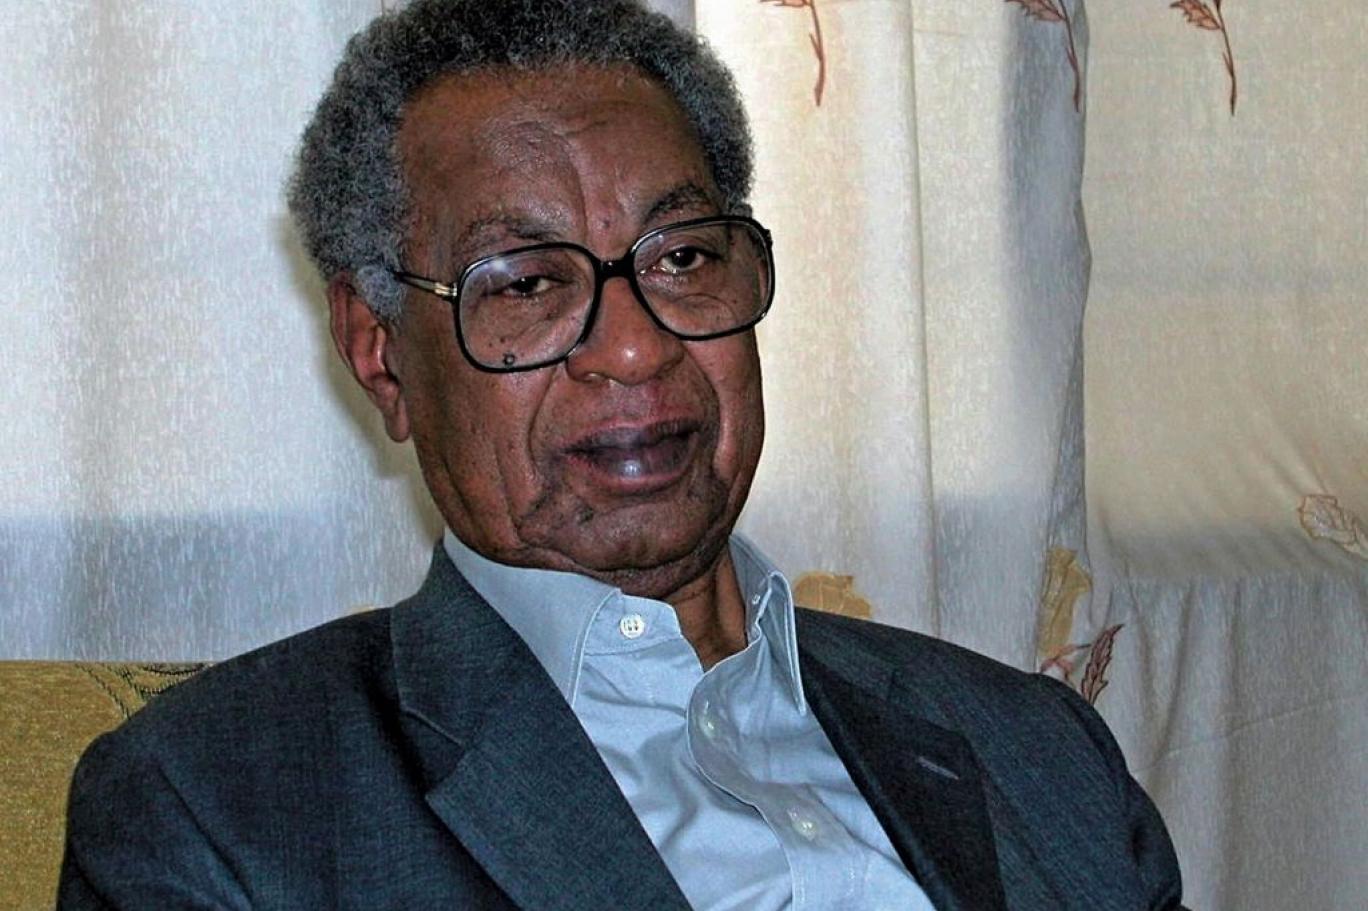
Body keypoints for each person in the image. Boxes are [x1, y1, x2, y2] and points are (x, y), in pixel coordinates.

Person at [58, 1, 1185, 908]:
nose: (638, 346)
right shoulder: (216, 804)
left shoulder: (1034, 749)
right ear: (382, 354)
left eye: (683, 257)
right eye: (527, 284)